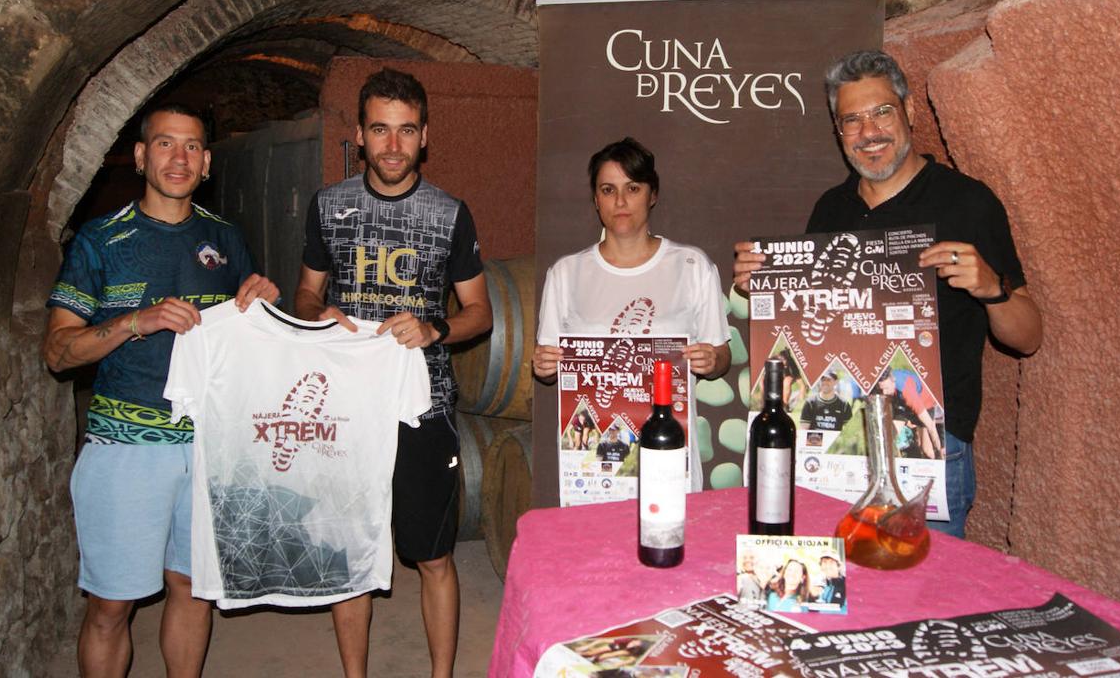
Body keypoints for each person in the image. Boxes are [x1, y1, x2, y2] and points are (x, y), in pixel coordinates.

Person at [734, 50, 1042, 538]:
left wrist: (993, 289)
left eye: (881, 112)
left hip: (928, 448)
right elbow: (812, 331)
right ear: (838, 134)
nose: (869, 132)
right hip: (834, 446)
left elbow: (1027, 337)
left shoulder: (967, 201)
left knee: (921, 603)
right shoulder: (829, 210)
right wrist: (767, 289)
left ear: (910, 111)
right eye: (851, 120)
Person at [43, 104, 278, 678]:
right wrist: (133, 322)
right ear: (142, 156)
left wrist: (264, 307)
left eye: (193, 147)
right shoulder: (101, 241)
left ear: (207, 164)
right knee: (111, 604)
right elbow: (57, 352)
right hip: (125, 447)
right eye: (166, 145)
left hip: (207, 446)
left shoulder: (224, 237)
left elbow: (248, 344)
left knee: (192, 588)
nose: (179, 157)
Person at [294, 67, 492, 678]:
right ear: (360, 133)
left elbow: (479, 311)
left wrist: (437, 329)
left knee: (432, 556)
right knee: (350, 550)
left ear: (424, 135)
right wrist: (320, 314)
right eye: (380, 130)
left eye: (406, 131)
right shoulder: (329, 205)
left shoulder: (450, 214)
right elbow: (303, 294)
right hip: (346, 408)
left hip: (423, 405)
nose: (393, 145)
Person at [532, 137, 732, 490]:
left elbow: (722, 356)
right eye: (608, 189)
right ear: (596, 199)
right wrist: (545, 366)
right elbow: (550, 368)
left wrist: (711, 359)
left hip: (670, 452)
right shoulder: (566, 273)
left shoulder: (692, 265)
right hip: (594, 461)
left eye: (632, 188)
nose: (620, 201)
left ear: (652, 194)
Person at [880, 366, 943, 459]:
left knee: (926, 449)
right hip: (901, 400)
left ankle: (938, 461)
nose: (884, 392)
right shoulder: (888, 383)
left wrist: (939, 454)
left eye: (886, 388)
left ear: (893, 380)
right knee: (890, 434)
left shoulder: (909, 393)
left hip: (925, 402)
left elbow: (931, 427)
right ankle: (894, 462)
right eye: (881, 388)